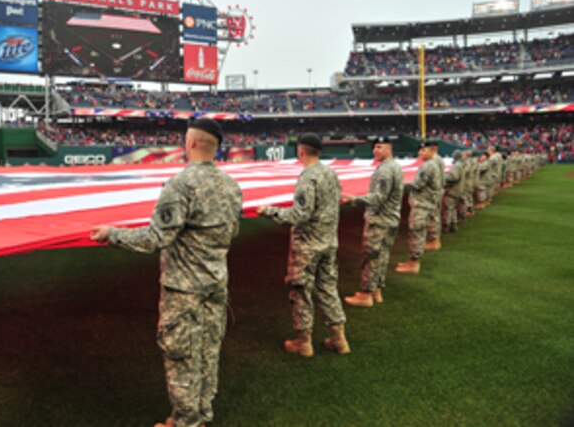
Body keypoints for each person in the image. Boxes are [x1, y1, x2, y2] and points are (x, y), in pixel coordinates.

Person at [90, 118, 243, 427]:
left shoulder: (181, 185)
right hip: (216, 282)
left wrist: (112, 234)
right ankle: (201, 414)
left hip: (184, 289)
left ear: (190, 144)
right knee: (207, 352)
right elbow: (231, 231)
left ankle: (186, 421)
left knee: (182, 356)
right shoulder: (231, 186)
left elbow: (154, 238)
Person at [256, 133, 350, 357]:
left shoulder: (308, 178)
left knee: (300, 290)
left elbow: (300, 214)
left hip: (308, 245)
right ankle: (339, 339)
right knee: (327, 288)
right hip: (328, 241)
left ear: (301, 151)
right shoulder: (331, 173)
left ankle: (303, 341)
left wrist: (269, 211)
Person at [342, 136, 404, 307]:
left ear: (389, 149)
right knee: (382, 256)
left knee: (371, 256)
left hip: (380, 219)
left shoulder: (385, 170)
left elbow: (378, 197)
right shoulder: (395, 167)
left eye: (379, 147)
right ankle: (376, 290)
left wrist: (354, 199)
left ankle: (365, 294)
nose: (375, 150)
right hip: (390, 218)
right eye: (374, 147)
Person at [395, 141, 442, 274]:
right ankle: (414, 260)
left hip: (422, 204)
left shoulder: (427, 166)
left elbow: (417, 185)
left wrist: (399, 185)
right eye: (420, 150)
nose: (420, 153)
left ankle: (414, 263)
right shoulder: (433, 164)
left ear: (432, 151)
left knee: (416, 231)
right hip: (428, 202)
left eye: (424, 150)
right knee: (420, 231)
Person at [425, 140, 445, 250]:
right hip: (437, 190)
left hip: (434, 192)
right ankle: (435, 239)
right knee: (435, 215)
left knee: (433, 216)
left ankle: (434, 241)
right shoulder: (439, 159)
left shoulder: (434, 160)